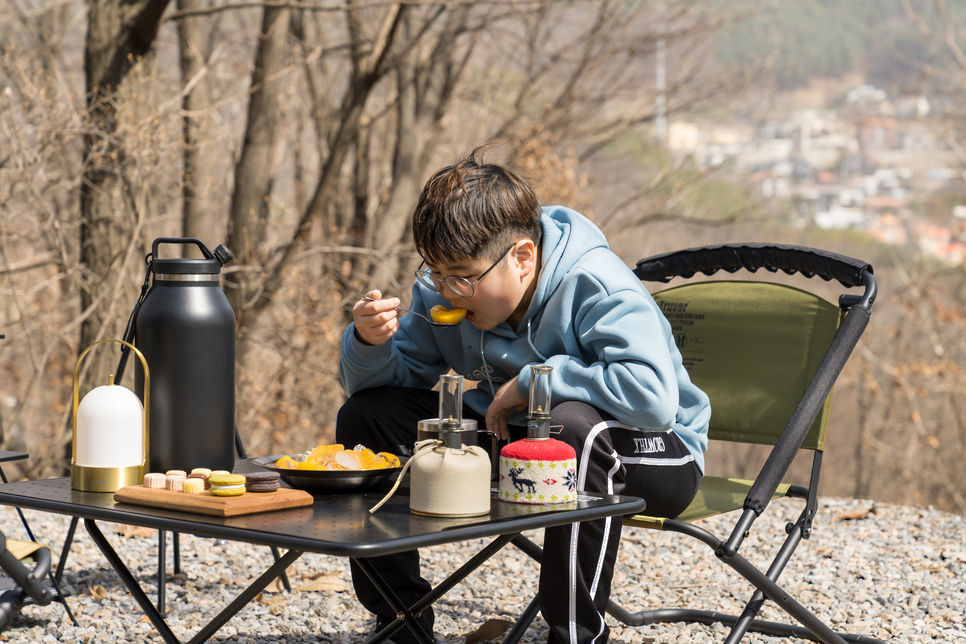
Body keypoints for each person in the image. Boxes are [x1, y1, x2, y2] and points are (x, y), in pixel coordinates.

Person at [337, 146, 711, 644]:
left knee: (576, 425)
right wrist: (369, 343)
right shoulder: (445, 288)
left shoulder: (596, 284)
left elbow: (653, 399)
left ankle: (575, 634)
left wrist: (540, 381)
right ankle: (399, 622)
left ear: (522, 257)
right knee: (366, 415)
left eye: (464, 276)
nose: (449, 291)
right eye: (436, 272)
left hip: (654, 453)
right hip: (514, 441)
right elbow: (388, 386)